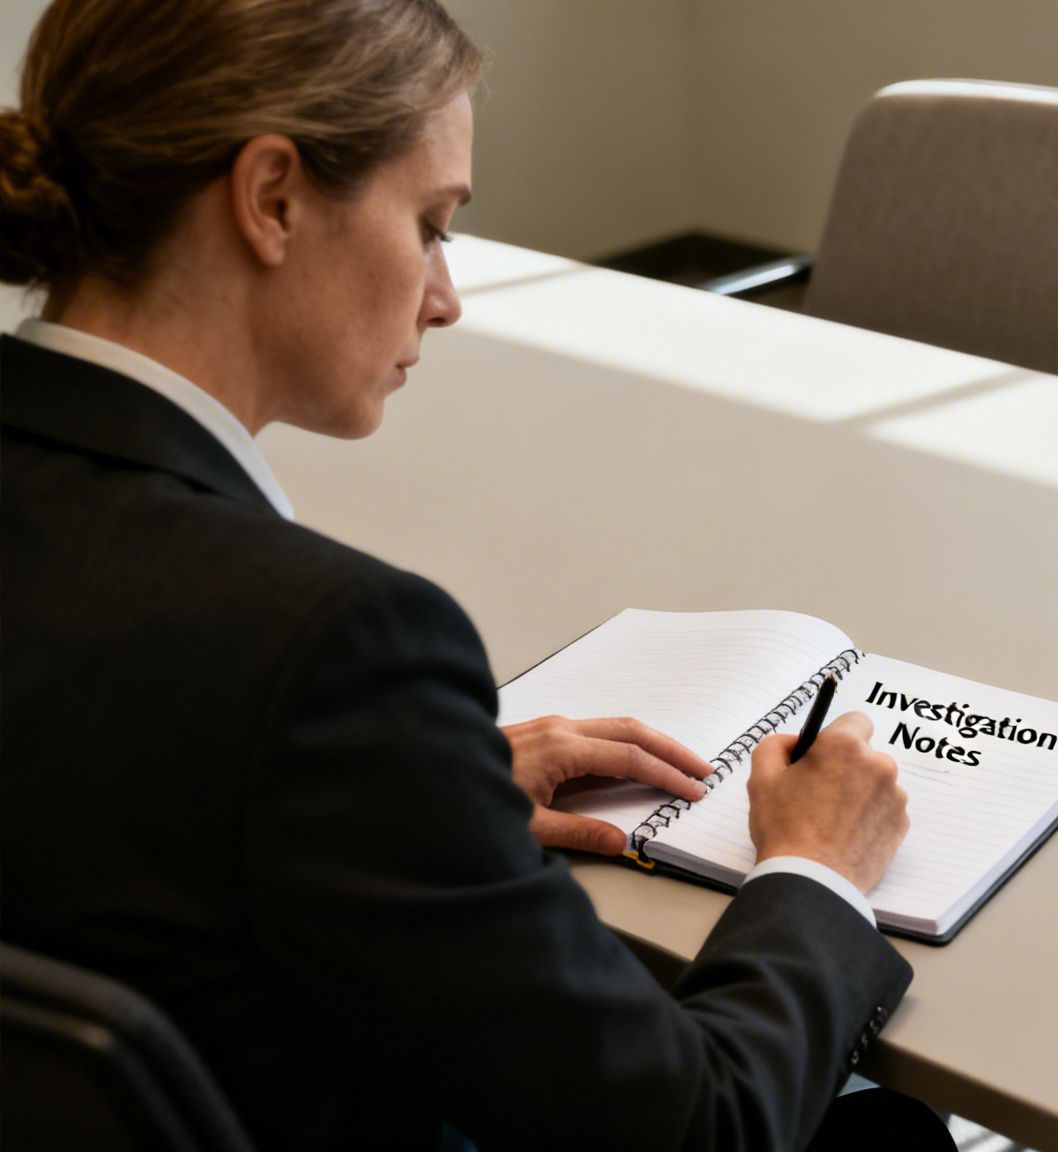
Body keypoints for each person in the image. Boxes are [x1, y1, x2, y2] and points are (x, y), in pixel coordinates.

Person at [0, 2, 949, 1148]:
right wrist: (815, 868)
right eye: (431, 224)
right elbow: (703, 1128)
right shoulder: (327, 646)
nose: (445, 297)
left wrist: (407, 795)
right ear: (272, 198)